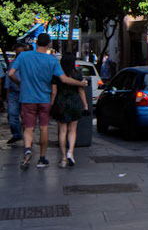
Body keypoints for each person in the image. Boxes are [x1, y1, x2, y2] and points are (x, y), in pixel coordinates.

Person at [10, 32, 61, 172]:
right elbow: (61, 78)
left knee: (28, 128)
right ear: (49, 44)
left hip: (27, 98)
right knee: (44, 128)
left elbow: (10, 74)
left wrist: (19, 83)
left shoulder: (24, 56)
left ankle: (27, 149)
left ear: (36, 43)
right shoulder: (52, 60)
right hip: (44, 99)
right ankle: (42, 158)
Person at [51, 43, 89, 168]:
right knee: (72, 131)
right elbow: (81, 90)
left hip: (61, 103)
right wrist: (85, 105)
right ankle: (70, 153)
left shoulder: (57, 74)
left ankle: (62, 158)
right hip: (74, 103)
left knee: (62, 132)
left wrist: (51, 105)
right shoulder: (77, 74)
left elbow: (54, 92)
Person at [3, 42, 23, 145]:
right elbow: (8, 79)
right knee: (12, 115)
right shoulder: (12, 64)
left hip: (25, 93)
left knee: (26, 117)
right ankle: (17, 134)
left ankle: (27, 136)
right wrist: (7, 92)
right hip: (14, 93)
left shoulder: (28, 64)